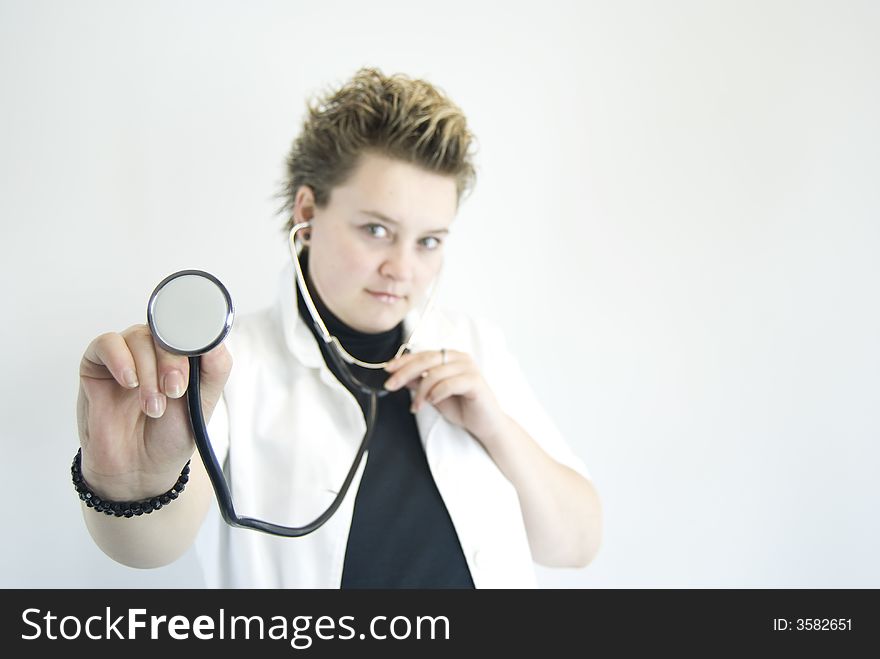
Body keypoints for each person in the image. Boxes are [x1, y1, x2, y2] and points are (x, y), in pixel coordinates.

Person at [76, 67, 603, 588]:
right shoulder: (228, 367)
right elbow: (150, 544)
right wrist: (131, 483)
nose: (403, 269)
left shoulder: (473, 347)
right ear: (308, 211)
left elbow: (576, 544)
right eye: (377, 230)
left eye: (429, 241)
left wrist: (496, 428)